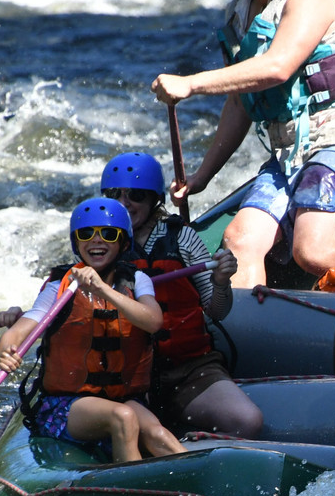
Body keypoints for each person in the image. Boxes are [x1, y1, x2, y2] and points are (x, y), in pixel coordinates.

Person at [150, 0, 335, 288]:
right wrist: (203, 176)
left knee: (312, 252)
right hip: (288, 153)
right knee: (239, 241)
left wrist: (191, 83)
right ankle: (249, 333)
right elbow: (240, 101)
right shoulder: (239, 12)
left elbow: (278, 66)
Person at [0, 199, 186, 463]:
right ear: (77, 242)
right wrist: (6, 349)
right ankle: (130, 492)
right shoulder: (59, 287)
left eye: (108, 234)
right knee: (124, 419)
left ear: (123, 242)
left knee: (158, 435)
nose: (97, 241)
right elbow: (20, 331)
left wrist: (103, 289)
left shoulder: (137, 280)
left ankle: (204, 486)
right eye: (87, 234)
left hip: (122, 397)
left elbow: (152, 321)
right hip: (65, 405)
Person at [101, 152, 264, 438]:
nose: (125, 204)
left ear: (154, 200)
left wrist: (222, 282)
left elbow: (216, 311)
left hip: (189, 370)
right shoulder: (100, 243)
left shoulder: (182, 238)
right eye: (115, 195)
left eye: (136, 195)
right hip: (126, 375)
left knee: (247, 421)